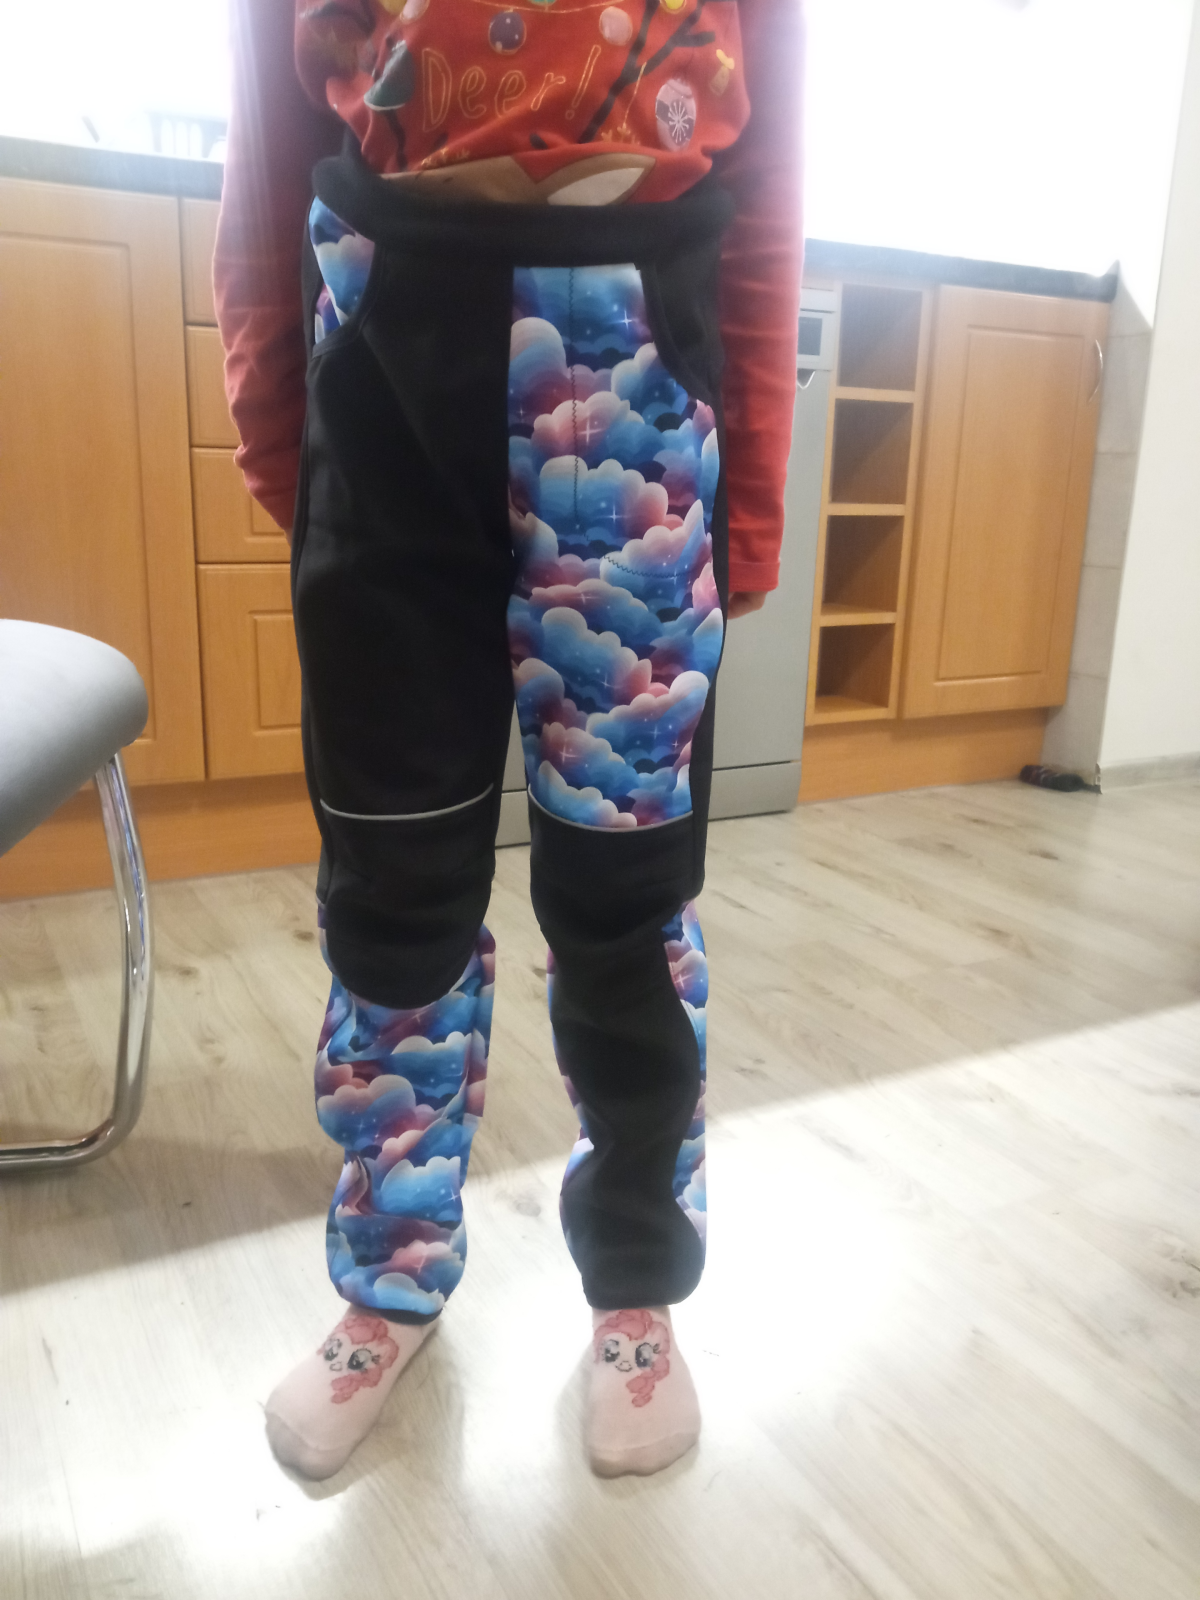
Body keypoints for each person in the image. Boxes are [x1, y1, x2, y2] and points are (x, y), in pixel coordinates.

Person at [214, 0, 804, 1482]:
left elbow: (772, 161)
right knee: (392, 875)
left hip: (639, 353)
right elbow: (268, 126)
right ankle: (390, 1278)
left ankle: (635, 1287)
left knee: (625, 889)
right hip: (384, 351)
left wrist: (750, 488)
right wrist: (282, 423)